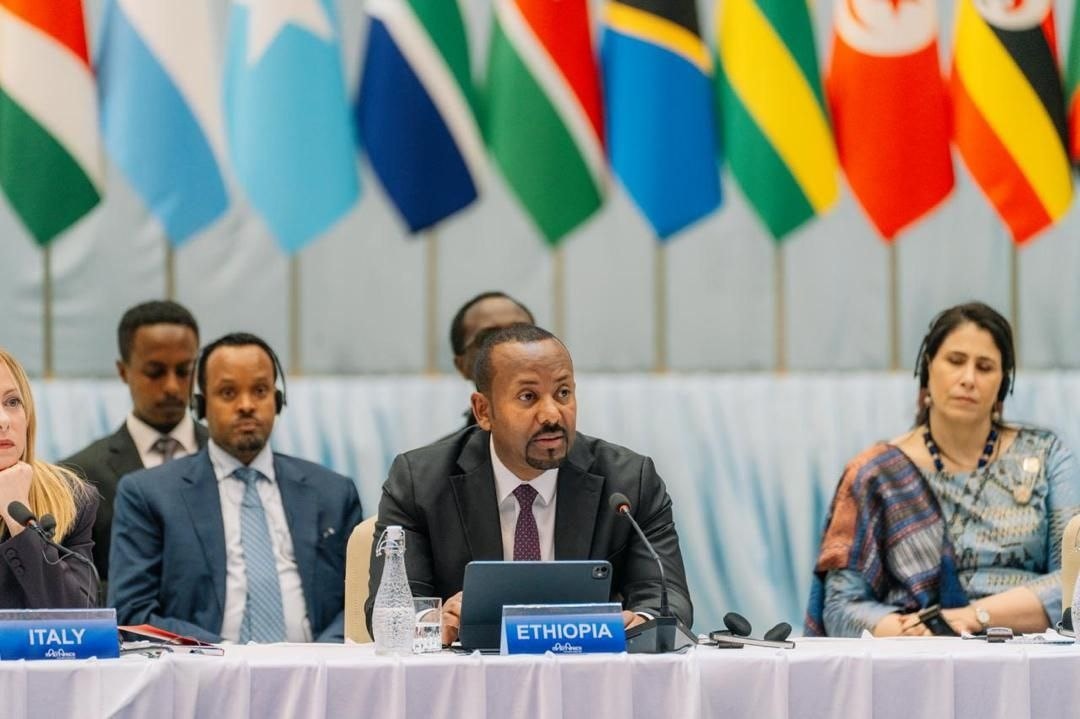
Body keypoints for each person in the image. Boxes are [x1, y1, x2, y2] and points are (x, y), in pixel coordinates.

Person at [366, 324, 693, 643]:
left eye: (563, 393)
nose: (552, 414)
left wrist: (640, 624)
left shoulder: (628, 482)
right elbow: (391, 610)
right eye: (528, 396)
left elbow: (667, 600)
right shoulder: (420, 482)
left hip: (586, 669)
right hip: (467, 673)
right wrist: (433, 622)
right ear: (483, 411)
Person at [806, 301, 1080, 637]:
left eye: (985, 367)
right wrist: (912, 632)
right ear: (928, 368)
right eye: (955, 361)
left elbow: (1075, 579)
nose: (968, 379)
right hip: (919, 654)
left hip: (1030, 651)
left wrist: (972, 617)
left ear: (1002, 383)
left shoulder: (1047, 456)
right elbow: (841, 606)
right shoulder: (876, 475)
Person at [109, 333, 363, 643]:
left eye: (260, 391)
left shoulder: (332, 493)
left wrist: (319, 659)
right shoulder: (149, 495)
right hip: (204, 667)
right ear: (200, 405)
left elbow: (359, 602)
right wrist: (229, 658)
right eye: (228, 392)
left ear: (277, 401)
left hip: (317, 668)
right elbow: (133, 612)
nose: (246, 406)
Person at [62, 300, 207, 584]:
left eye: (184, 371)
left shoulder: (226, 458)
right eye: (155, 372)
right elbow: (73, 588)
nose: (172, 387)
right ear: (123, 371)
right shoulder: (79, 477)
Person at [0, 348, 99, 609]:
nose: (3, 420)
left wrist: (21, 525)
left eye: (12, 402)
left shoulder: (71, 498)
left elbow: (76, 619)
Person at [449, 291, 534, 427]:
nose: (509, 348)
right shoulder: (455, 443)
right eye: (488, 338)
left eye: (523, 334)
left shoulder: (572, 439)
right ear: (462, 366)